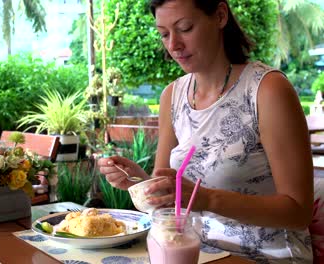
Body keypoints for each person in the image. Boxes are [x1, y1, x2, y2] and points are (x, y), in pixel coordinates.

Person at [97, 0, 314, 263]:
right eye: (164, 34)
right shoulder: (172, 96)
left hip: (266, 257)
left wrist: (208, 199)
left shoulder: (266, 90)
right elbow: (169, 199)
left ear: (220, 16)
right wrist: (140, 181)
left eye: (185, 28)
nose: (173, 45)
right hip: (194, 252)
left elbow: (298, 211)